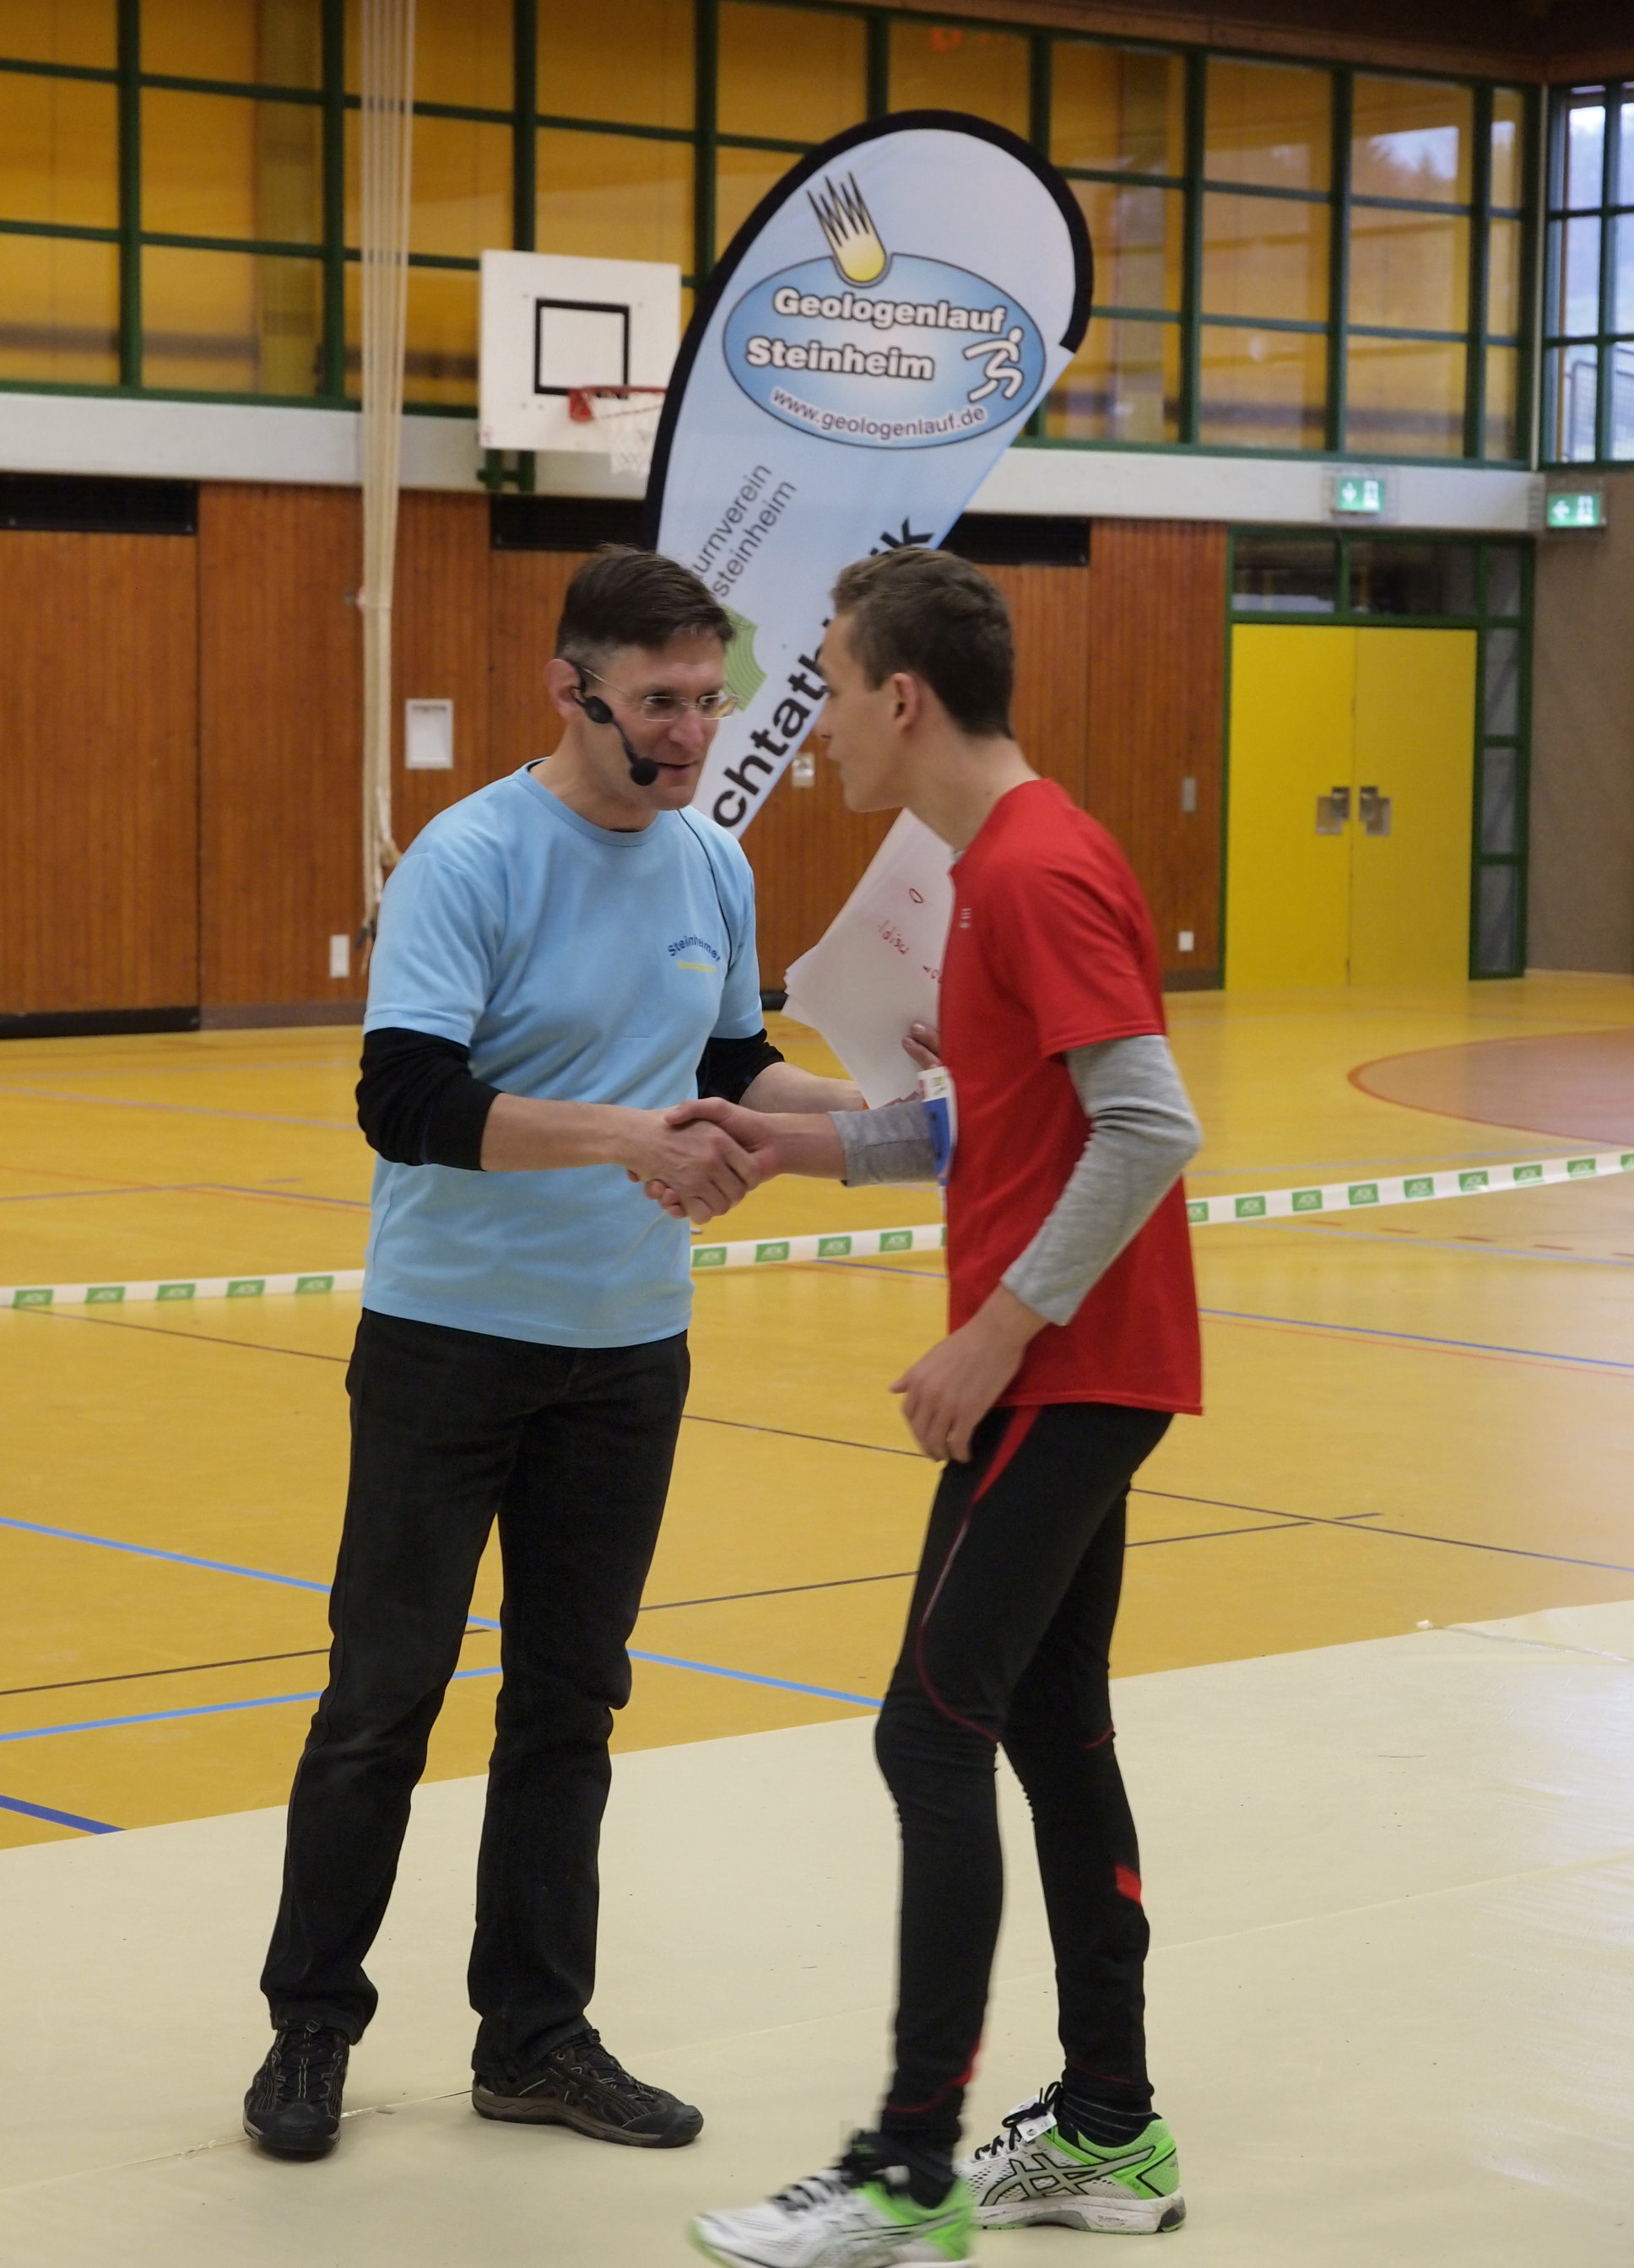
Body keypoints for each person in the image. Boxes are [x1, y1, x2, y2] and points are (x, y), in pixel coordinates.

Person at [243, 547, 858, 2162]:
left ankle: (533, 2040)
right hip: (449, 1347)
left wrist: (883, 1111)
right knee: (381, 1699)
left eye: (710, 701)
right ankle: (310, 2029)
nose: (692, 734)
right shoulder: (472, 858)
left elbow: (734, 1062)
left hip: (628, 1354)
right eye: (660, 703)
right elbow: (407, 1103)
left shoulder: (711, 864)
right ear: (569, 690)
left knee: (569, 1704)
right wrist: (629, 1138)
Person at [680, 548, 1204, 2265]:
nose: (817, 724)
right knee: (1049, 1726)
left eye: (830, 687)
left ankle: (908, 2173)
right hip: (1082, 1369)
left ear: (903, 697)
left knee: (929, 1730)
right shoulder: (1000, 867)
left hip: (1067, 1370)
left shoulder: (1034, 869)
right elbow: (994, 1120)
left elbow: (1149, 1123)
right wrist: (794, 1141)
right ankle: (1111, 2128)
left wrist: (996, 1332)